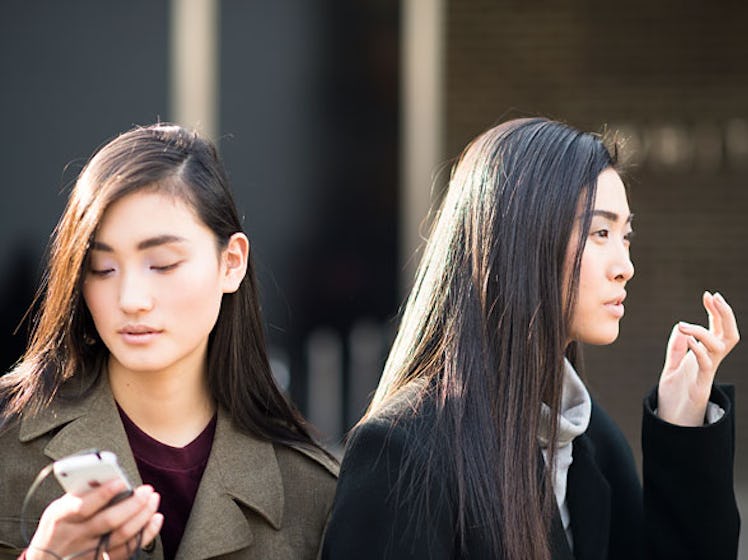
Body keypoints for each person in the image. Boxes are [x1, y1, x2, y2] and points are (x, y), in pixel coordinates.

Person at [321, 117, 740, 560]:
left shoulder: (588, 438)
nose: (624, 265)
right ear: (524, 238)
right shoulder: (404, 451)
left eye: (626, 236)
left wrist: (683, 420)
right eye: (600, 232)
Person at [0, 124, 338, 560]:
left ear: (230, 263)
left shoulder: (313, 493)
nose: (131, 300)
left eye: (162, 264)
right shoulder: (9, 439)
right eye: (102, 268)